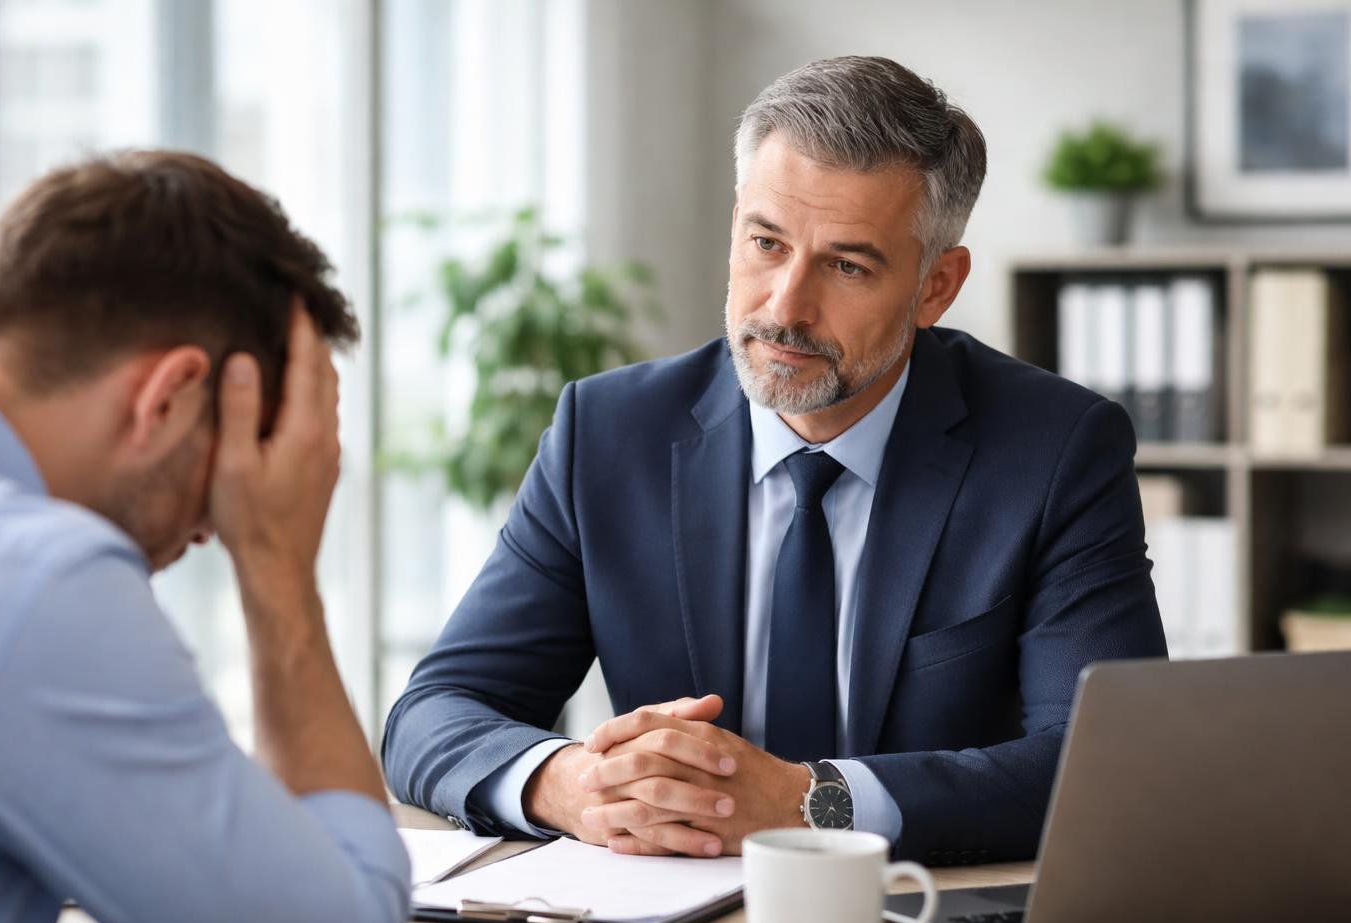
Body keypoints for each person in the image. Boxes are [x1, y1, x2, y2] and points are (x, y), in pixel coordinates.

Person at [383, 56, 1166, 865]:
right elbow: (434, 713)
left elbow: (1107, 764)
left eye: (847, 265)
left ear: (936, 286)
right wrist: (575, 785)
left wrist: (808, 803)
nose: (784, 308)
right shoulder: (608, 434)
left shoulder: (1055, 450)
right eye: (766, 243)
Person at [0, 152, 407, 923]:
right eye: (237, 462)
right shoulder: (28, 582)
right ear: (168, 398)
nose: (213, 525)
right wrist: (279, 569)